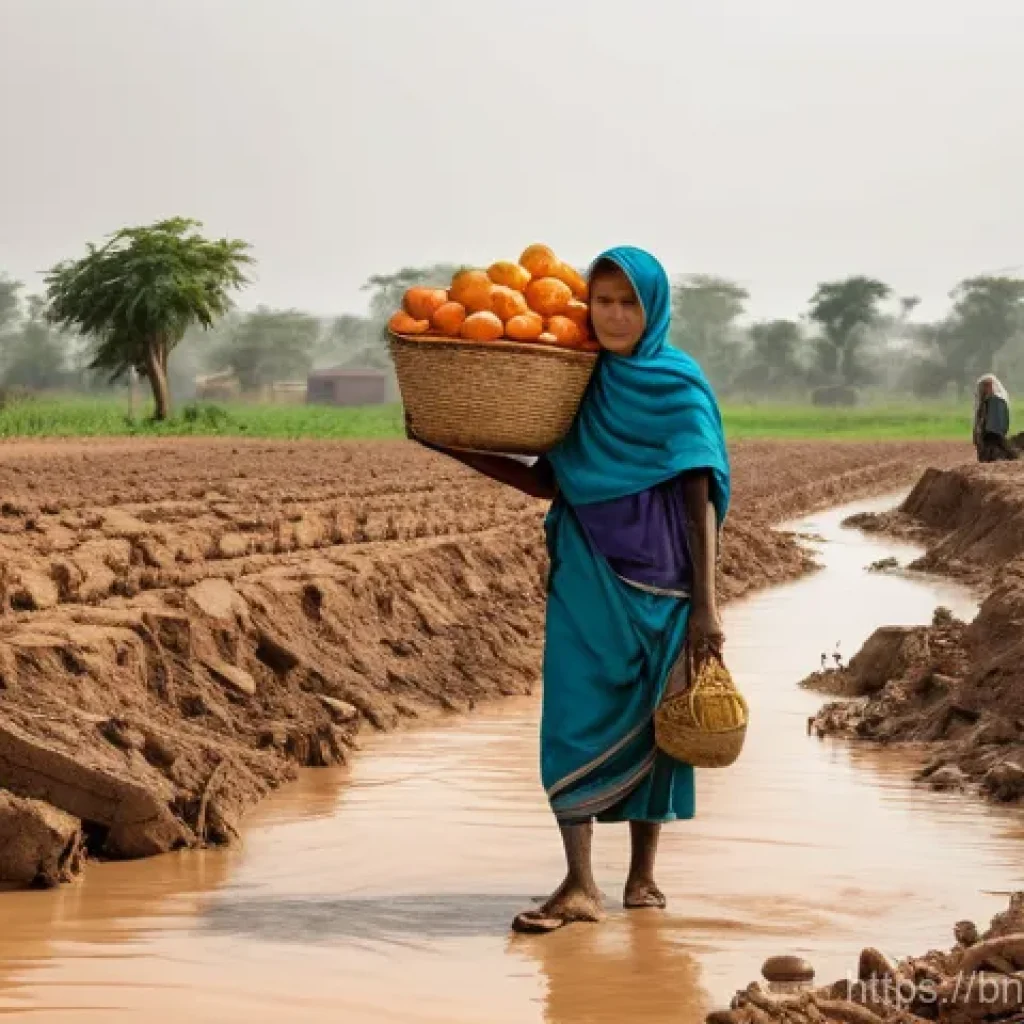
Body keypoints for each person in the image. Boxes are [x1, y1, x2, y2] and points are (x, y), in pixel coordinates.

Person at [406, 246, 730, 933]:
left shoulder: (680, 383)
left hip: (669, 582)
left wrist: (706, 605)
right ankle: (579, 883)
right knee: (573, 716)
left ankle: (643, 875)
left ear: (654, 309)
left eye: (627, 303)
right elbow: (549, 480)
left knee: (661, 725)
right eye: (602, 301)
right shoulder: (578, 381)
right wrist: (448, 444)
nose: (612, 316)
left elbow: (699, 497)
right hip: (586, 571)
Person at [973, 374, 1017, 462]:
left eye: (986, 386)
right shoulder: (987, 402)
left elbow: (995, 429)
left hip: (992, 441)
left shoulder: (996, 401)